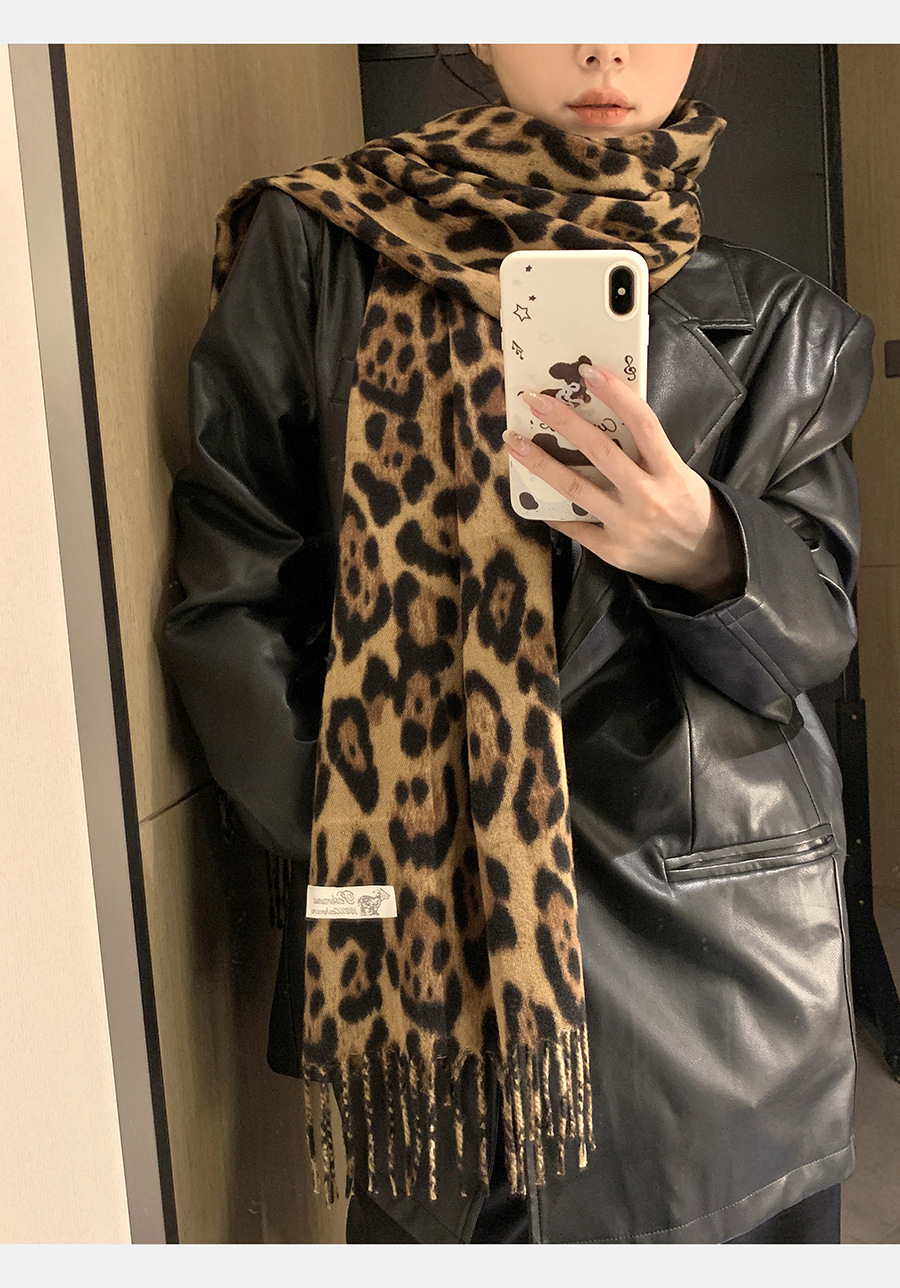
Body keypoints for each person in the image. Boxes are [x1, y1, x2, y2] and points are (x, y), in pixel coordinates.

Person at [161, 45, 874, 1244]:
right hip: (421, 962)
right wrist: (358, 826)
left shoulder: (793, 328)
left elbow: (811, 641)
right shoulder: (326, 254)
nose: (605, 43)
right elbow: (233, 573)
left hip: (720, 964)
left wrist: (705, 544)